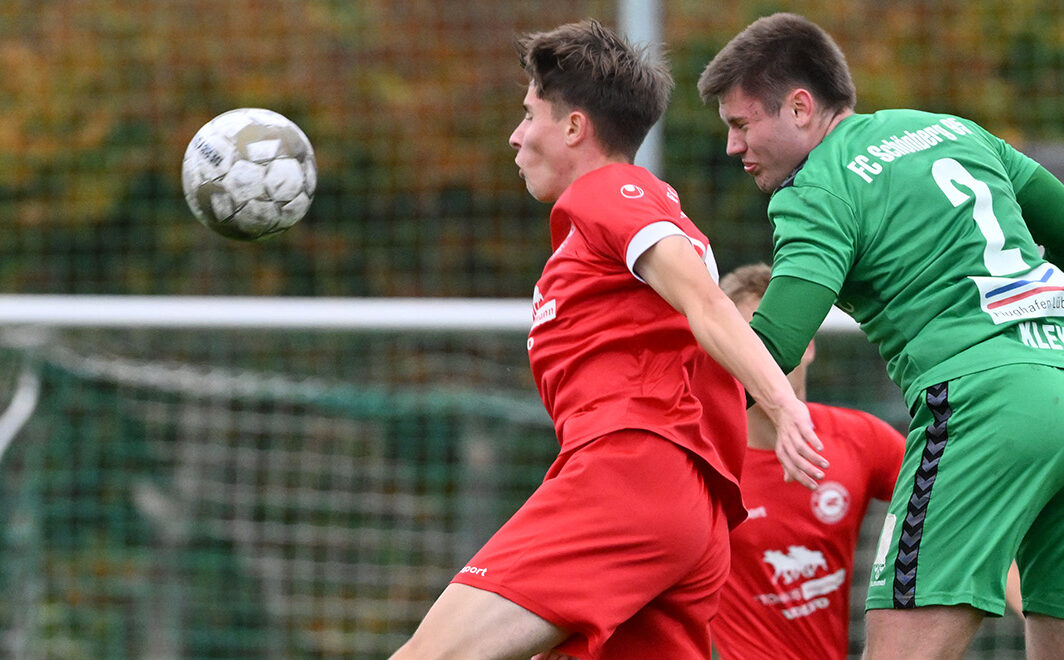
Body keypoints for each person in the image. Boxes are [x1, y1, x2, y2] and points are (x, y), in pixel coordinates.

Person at [390, 19, 822, 660]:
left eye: (529, 113)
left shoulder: (612, 193)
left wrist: (785, 406)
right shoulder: (603, 229)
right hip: (684, 510)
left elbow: (706, 303)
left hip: (630, 477)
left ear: (573, 128)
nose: (516, 135)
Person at [698, 12, 1064, 659]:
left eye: (740, 124)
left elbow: (776, 341)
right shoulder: (949, 128)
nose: (733, 147)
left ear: (801, 108)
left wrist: (668, 414)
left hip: (981, 404)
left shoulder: (814, 187)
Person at [712, 262, 906, 660]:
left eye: (783, 338)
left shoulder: (861, 439)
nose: (766, 358)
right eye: (750, 342)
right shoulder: (702, 464)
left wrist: (1028, 605)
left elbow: (954, 507)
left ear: (811, 344)